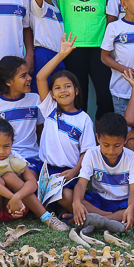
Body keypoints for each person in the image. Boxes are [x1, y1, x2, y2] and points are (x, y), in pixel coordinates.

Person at [0, 117, 67, 231]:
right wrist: (13, 197)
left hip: (16, 209)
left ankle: (47, 217)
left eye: (6, 146)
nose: (1, 151)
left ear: (12, 143)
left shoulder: (15, 157)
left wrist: (18, 196)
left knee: (10, 177)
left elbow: (32, 182)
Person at [34, 34, 87, 212]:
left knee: (66, 196)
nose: (63, 90)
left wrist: (75, 171)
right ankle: (64, 212)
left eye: (68, 86)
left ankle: (92, 214)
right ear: (52, 94)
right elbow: (41, 77)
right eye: (57, 88)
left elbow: (86, 152)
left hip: (70, 174)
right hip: (46, 171)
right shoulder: (50, 108)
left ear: (76, 90)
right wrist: (61, 55)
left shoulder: (84, 119)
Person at [72, 112, 134, 230]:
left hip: (122, 203)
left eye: (117, 145)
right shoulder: (91, 154)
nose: (111, 151)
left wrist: (130, 208)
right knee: (78, 200)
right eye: (106, 145)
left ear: (125, 140)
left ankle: (99, 220)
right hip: (99, 202)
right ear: (98, 138)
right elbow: (81, 184)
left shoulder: (132, 157)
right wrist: (76, 203)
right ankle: (111, 219)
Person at [0, 56, 45, 176]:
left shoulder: (35, 99)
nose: (29, 78)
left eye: (28, 74)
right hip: (0, 159)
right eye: (23, 76)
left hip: (29, 159)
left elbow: (41, 132)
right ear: (8, 81)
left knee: (18, 178)